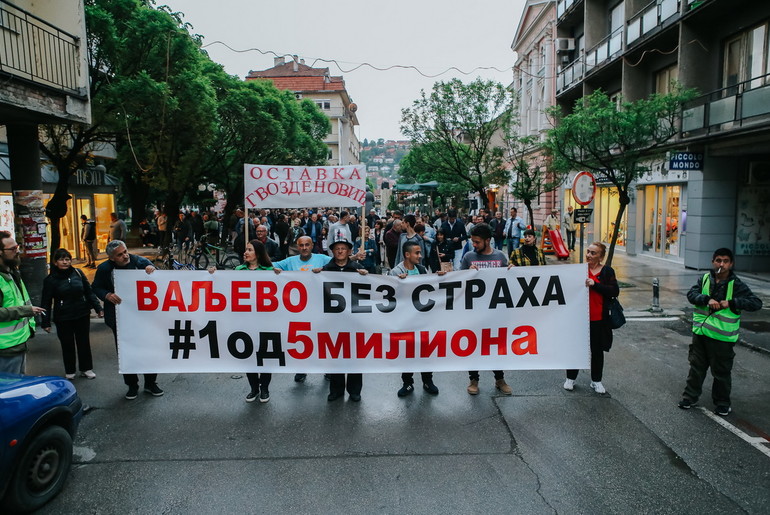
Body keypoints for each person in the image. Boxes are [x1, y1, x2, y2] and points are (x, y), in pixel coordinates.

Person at [678, 248, 762, 416]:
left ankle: (722, 402)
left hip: (721, 338)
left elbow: (755, 303)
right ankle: (690, 397)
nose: (721, 264)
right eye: (718, 260)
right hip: (701, 334)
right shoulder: (705, 279)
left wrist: (730, 303)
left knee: (721, 371)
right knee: (696, 367)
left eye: (725, 261)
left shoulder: (735, 284)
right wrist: (706, 299)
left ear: (731, 264)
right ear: (712, 262)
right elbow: (691, 294)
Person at [92, 240, 163, 400]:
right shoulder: (104, 269)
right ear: (111, 258)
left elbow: (160, 279)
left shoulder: (139, 262)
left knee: (149, 349)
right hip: (120, 317)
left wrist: (153, 270)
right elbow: (96, 287)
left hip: (144, 317)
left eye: (125, 251)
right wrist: (107, 295)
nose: (125, 256)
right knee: (125, 351)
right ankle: (132, 385)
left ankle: (151, 383)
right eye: (120, 254)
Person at [459, 223, 512, 396]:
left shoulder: (500, 257)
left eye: (477, 242)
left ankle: (499, 379)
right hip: (474, 311)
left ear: (488, 241)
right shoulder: (468, 257)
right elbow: (458, 282)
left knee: (497, 346)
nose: (474, 245)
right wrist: (467, 272)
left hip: (495, 311)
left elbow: (508, 283)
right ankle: (473, 379)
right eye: (473, 242)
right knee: (474, 346)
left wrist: (512, 272)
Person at [315, 235, 368, 402]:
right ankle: (336, 390)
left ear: (349, 251)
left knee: (354, 356)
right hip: (333, 321)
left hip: (354, 321)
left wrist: (366, 276)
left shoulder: (357, 269)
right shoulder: (325, 270)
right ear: (332, 251)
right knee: (335, 356)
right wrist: (314, 276)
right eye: (337, 249)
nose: (340, 251)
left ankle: (354, 390)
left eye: (343, 248)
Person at [564, 242, 619, 395]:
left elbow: (614, 291)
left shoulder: (607, 271)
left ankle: (596, 381)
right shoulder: (579, 270)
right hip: (579, 318)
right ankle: (570, 378)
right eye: (588, 252)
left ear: (601, 257)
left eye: (593, 253)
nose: (589, 255)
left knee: (597, 350)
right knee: (575, 348)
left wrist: (595, 284)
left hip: (599, 319)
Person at [41, 248, 103, 379]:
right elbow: (45, 302)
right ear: (55, 262)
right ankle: (70, 371)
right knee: (67, 344)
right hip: (63, 316)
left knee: (84, 342)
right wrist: (45, 322)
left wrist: (98, 308)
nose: (65, 262)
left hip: (82, 313)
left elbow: (88, 291)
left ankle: (86, 368)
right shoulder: (50, 279)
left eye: (67, 259)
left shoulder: (78, 273)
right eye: (62, 259)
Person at [391, 241, 442, 397]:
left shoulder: (422, 269)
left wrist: (439, 278)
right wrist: (398, 283)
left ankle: (428, 380)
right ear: (407, 255)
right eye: (417, 253)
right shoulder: (395, 272)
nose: (420, 256)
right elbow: (388, 296)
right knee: (407, 352)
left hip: (422, 319)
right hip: (405, 320)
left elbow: (430, 290)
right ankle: (407, 383)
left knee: (425, 351)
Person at [234, 239, 275, 403]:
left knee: (264, 355)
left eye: (249, 250)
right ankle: (254, 388)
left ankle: (264, 388)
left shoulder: (270, 271)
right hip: (245, 321)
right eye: (245, 249)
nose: (245, 252)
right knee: (249, 355)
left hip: (265, 321)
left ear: (257, 253)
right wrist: (214, 274)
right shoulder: (238, 270)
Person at [0, 231, 45, 374]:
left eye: (17, 247)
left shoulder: (11, 272)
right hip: (5, 349)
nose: (17, 251)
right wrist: (26, 311)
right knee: (9, 392)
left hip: (17, 344)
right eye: (12, 249)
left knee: (18, 387)